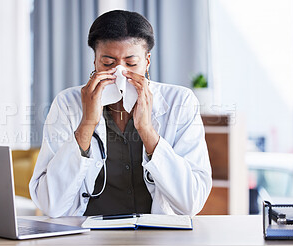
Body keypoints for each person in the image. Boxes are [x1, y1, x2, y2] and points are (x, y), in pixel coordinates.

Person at [29, 10, 212, 217]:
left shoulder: (180, 102)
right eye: (108, 63)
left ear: (147, 61)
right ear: (95, 62)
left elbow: (191, 203)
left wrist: (147, 130)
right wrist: (87, 123)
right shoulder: (67, 104)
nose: (119, 73)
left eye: (131, 64)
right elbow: (51, 204)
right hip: (88, 235)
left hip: (157, 235)